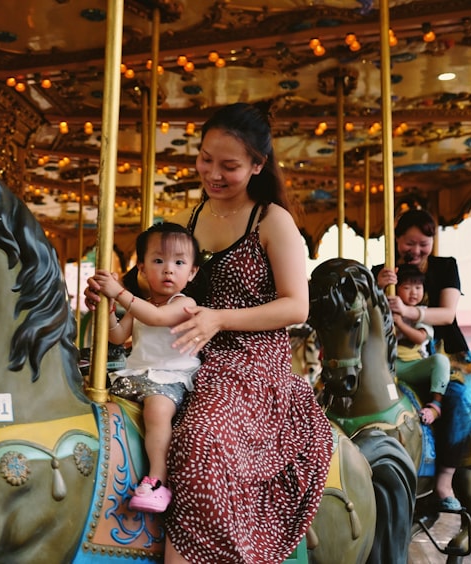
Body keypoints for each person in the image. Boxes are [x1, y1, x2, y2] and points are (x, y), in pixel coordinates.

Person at [87, 102, 331, 563]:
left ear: (258, 165)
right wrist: (111, 294)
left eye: (229, 165)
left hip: (251, 361)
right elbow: (160, 284)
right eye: (205, 159)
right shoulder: (195, 217)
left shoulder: (272, 220)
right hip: (183, 350)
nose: (213, 173)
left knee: (201, 437)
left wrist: (219, 318)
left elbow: (296, 304)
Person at [374, 208, 471, 505]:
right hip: (396, 356)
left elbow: (447, 314)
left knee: (458, 395)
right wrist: (379, 287)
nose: (417, 251)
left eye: (424, 243)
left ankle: (446, 480)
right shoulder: (382, 271)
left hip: (448, 353)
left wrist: (409, 312)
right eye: (410, 243)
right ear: (396, 240)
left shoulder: (445, 267)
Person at [90, 222, 201, 513]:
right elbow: (117, 336)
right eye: (158, 261)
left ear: (192, 273)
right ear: (142, 268)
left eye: (179, 262)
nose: (168, 269)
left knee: (157, 410)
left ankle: (157, 481)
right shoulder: (143, 304)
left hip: (171, 379)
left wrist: (119, 293)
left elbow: (155, 318)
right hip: (136, 375)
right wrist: (110, 312)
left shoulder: (183, 303)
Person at [392, 264, 458, 510]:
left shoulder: (420, 312)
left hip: (412, 367)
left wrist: (401, 322)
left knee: (440, 361)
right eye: (407, 286)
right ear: (396, 289)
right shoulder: (387, 310)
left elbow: (421, 338)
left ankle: (436, 404)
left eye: (417, 287)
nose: (412, 292)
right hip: (390, 368)